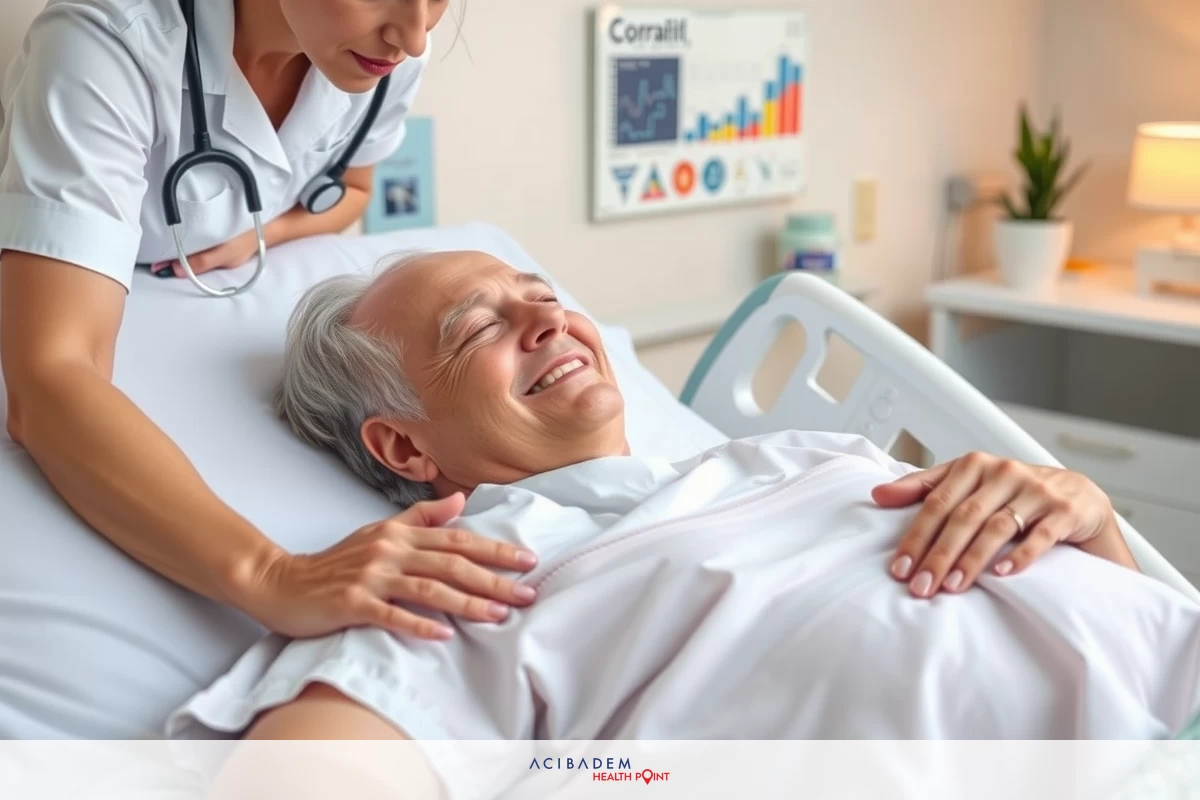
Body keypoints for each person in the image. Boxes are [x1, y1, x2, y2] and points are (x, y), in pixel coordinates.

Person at [168, 251, 1200, 771]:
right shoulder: (468, 568)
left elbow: (1105, 613)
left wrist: (1085, 520)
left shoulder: (802, 449)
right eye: (475, 324)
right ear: (404, 444)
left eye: (538, 291)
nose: (543, 315)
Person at [0, 0, 543, 644]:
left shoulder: (378, 55)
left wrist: (260, 230)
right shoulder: (107, 47)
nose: (416, 37)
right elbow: (49, 377)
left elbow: (354, 191)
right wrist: (271, 575)